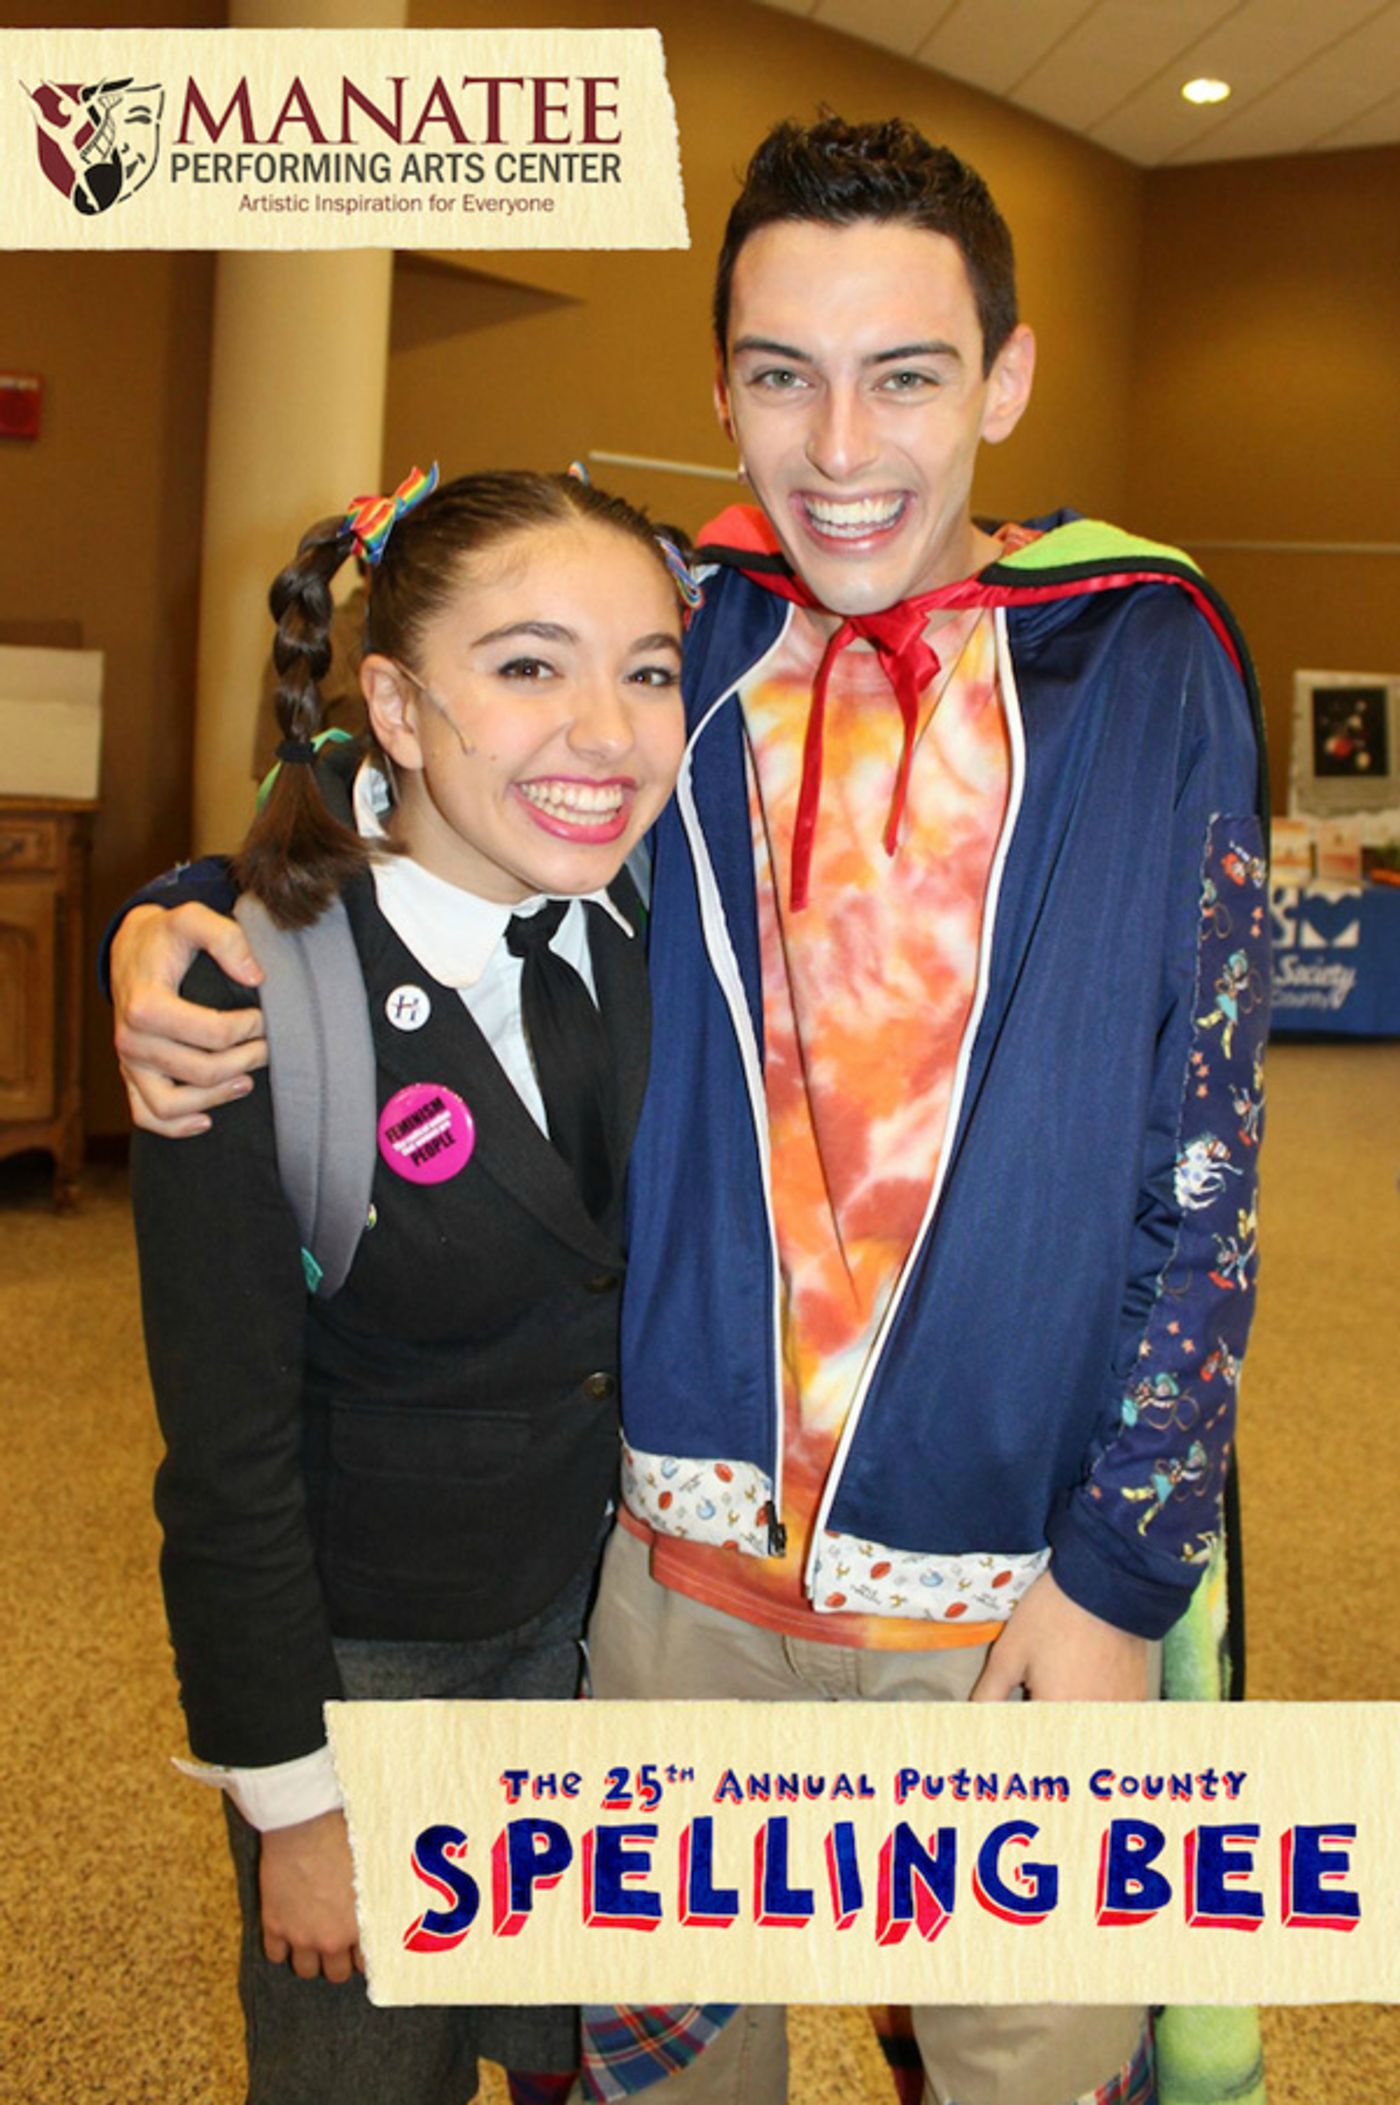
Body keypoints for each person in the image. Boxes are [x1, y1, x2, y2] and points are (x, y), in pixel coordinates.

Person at [110, 117, 1269, 2105]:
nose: (836, 449)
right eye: (775, 376)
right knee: (674, 2073)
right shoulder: (692, 630)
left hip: (1012, 1595)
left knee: (1029, 2066)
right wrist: (187, 908)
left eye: (904, 374)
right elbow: (418, 770)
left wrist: (1117, 1583)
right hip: (674, 1580)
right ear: (715, 382)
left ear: (1004, 378)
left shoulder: (1142, 657)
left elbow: (1205, 1144)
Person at [128, 464, 688, 2105]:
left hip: (610, 1645)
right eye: (528, 665)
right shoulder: (249, 999)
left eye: (647, 670)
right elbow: (225, 1463)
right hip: (375, 1678)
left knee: (583, 2059)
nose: (604, 729)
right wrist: (293, 1802)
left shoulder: (655, 910)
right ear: (395, 702)